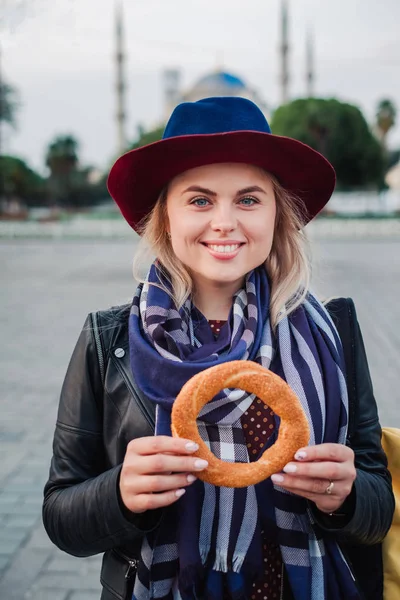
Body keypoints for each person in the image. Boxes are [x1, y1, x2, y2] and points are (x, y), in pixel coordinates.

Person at [43, 97, 394, 600]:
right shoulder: (109, 339)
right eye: (200, 200)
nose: (225, 221)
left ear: (278, 214)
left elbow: (379, 507)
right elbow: (61, 514)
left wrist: (349, 495)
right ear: (165, 216)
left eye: (249, 200)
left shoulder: (332, 330)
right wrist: (119, 494)